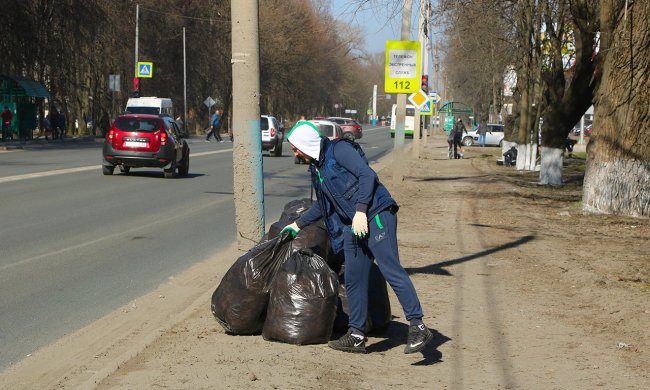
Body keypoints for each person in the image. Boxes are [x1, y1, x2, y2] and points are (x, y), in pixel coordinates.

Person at [281, 122, 434, 355]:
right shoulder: (317, 168)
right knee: (354, 277)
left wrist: (362, 211)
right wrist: (296, 225)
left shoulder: (339, 150)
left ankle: (418, 326)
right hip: (352, 224)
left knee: (390, 268)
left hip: (375, 214)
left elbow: (367, 175)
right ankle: (356, 335)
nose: (295, 153)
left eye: (295, 148)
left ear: (305, 144)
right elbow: (324, 206)